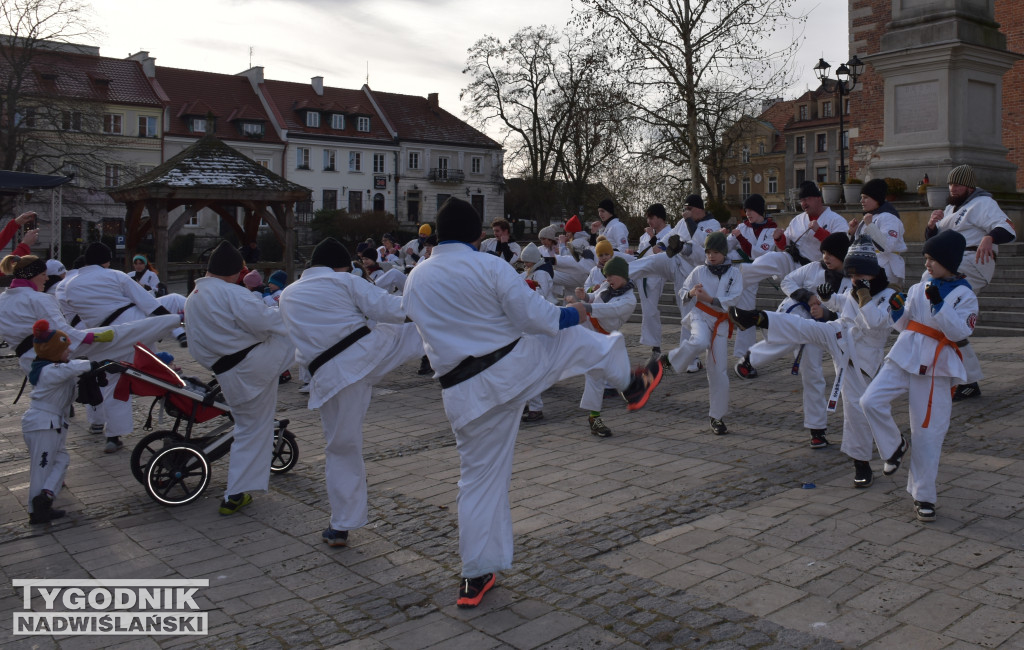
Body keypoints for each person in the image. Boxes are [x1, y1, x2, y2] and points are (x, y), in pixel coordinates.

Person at [401, 197, 662, 609]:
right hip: (506, 373)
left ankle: (475, 575)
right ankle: (629, 383)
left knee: (476, 482)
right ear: (476, 235)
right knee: (571, 338)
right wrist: (577, 311)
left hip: (460, 393)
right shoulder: (488, 265)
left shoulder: (416, 277)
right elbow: (540, 319)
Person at [279, 237, 424, 547]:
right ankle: (479, 328)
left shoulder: (287, 294)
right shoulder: (344, 280)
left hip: (327, 377)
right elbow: (394, 309)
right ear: (341, 265)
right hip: (365, 354)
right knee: (417, 331)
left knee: (340, 448)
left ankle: (341, 524)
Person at [730, 237, 896, 487]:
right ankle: (759, 317)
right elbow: (844, 305)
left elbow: (873, 322)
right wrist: (829, 300)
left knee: (857, 410)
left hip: (863, 357)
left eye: (857, 273)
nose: (853, 278)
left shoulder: (890, 296)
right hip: (838, 333)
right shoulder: (835, 277)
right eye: (851, 273)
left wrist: (858, 294)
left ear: (871, 271)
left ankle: (864, 461)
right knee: (803, 328)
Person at [860, 230, 977, 522]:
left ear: (948, 262)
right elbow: (902, 323)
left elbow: (960, 332)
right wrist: (897, 309)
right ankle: (893, 446)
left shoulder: (966, 295)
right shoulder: (918, 287)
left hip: (936, 364)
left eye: (932, 259)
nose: (927, 264)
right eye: (925, 258)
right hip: (904, 353)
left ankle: (923, 496)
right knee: (870, 400)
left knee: (928, 434)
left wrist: (939, 306)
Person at [185, 241, 296, 515]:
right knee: (298, 336)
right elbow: (265, 322)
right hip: (251, 366)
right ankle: (235, 493)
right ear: (236, 272)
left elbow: (197, 345)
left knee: (248, 427)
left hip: (226, 371)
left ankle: (237, 491)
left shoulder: (193, 296)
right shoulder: (232, 294)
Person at [735, 233, 851, 449]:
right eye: (824, 252)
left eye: (831, 254)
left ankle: (817, 430)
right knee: (790, 335)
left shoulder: (850, 281)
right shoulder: (813, 268)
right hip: (795, 311)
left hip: (820, 328)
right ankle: (752, 356)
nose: (826, 257)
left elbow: (849, 311)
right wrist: (807, 297)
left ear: (843, 255)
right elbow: (788, 281)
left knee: (814, 373)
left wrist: (825, 314)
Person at [63, 242, 174, 453]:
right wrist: (169, 323)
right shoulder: (115, 275)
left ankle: (113, 436)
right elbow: (147, 302)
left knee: (112, 385)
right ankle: (182, 404)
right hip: (132, 329)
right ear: (106, 260)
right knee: (160, 370)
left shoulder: (70, 285)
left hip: (103, 338)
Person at [735, 181, 849, 377]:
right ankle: (733, 281)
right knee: (772, 258)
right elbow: (784, 243)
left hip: (820, 271)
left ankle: (756, 346)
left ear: (818, 198)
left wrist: (819, 231)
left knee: (800, 334)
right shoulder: (798, 220)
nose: (803, 203)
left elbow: (842, 246)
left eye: (807, 199)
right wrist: (780, 238)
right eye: (801, 200)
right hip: (795, 263)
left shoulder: (836, 220)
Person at [924, 164, 1017, 400]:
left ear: (970, 186)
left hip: (972, 263)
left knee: (943, 313)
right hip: (946, 266)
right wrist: (931, 227)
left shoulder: (983, 203)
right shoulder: (950, 208)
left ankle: (966, 379)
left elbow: (1007, 228)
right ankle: (958, 376)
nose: (953, 188)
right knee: (939, 317)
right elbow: (935, 241)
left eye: (958, 185)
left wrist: (990, 236)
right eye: (951, 184)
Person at [662, 232, 742, 435]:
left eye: (716, 252)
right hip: (700, 316)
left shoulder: (734, 273)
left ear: (724, 252)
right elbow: (682, 292)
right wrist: (690, 294)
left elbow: (733, 300)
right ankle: (669, 360)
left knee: (719, 371)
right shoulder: (698, 271)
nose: (712, 256)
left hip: (721, 323)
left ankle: (717, 417)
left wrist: (709, 298)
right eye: (708, 252)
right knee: (699, 341)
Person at [21, 320, 98, 524]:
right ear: (53, 350)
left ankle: (45, 497)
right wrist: (92, 364)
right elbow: (68, 369)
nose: (69, 351)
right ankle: (35, 510)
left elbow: (70, 373)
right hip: (42, 424)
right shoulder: (49, 370)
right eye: (65, 347)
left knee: (61, 460)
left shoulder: (50, 368)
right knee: (41, 468)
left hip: (49, 423)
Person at [566, 256, 637, 437]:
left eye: (611, 275)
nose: (607, 279)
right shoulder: (607, 286)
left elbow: (610, 310)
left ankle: (594, 417)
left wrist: (585, 307)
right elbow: (595, 298)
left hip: (602, 339)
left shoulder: (629, 300)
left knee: (596, 377)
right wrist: (586, 297)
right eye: (606, 275)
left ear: (622, 275)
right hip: (585, 327)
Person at [726, 194, 777, 363]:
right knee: (731, 309)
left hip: (752, 274)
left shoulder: (771, 230)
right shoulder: (743, 226)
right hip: (733, 273)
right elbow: (726, 246)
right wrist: (720, 237)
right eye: (746, 210)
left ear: (760, 210)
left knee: (745, 311)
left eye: (751, 210)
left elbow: (757, 253)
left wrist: (739, 238)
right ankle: (743, 352)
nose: (748, 213)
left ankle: (745, 354)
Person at [847, 178, 906, 287]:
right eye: (861, 197)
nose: (861, 201)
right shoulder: (869, 217)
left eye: (865, 197)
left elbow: (887, 245)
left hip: (885, 269)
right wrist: (852, 233)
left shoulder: (889, 218)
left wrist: (870, 225)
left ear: (876, 198)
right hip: (866, 267)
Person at [634, 204, 674, 361]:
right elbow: (641, 252)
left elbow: (663, 253)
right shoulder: (645, 235)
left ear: (660, 217)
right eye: (647, 218)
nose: (648, 221)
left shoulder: (671, 233)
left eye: (651, 218)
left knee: (650, 309)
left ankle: (656, 348)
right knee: (647, 309)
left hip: (657, 272)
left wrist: (652, 238)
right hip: (643, 272)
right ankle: (655, 348)